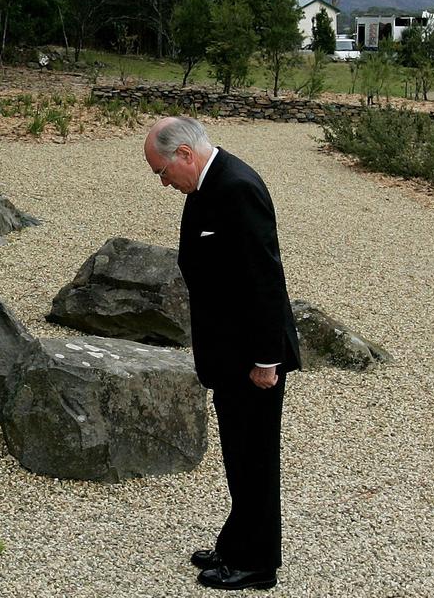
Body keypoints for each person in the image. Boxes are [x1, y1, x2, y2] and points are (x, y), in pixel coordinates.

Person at [143, 116, 300, 591]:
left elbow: (264, 276)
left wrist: (267, 358)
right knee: (238, 455)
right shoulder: (207, 187)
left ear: (185, 155)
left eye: (162, 171)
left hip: (253, 358)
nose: (163, 182)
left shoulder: (237, 188)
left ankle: (257, 563)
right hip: (230, 353)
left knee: (254, 458)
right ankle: (237, 543)